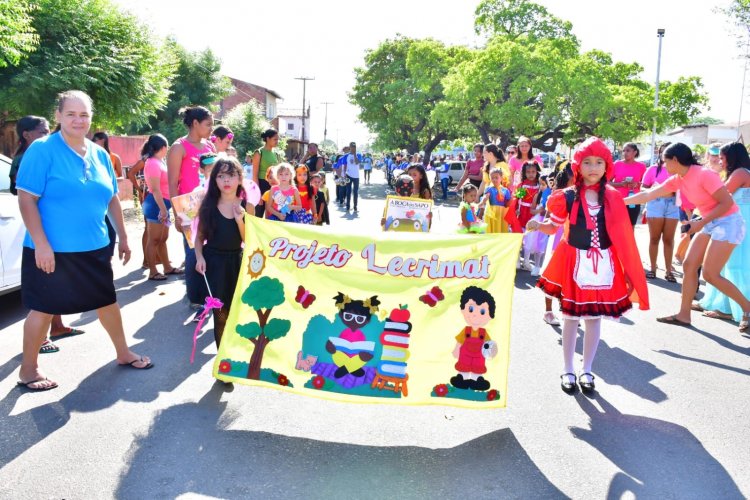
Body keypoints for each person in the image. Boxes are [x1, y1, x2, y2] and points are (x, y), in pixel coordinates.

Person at [16, 90, 152, 391]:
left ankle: (123, 353)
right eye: (71, 114)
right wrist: (41, 243)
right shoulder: (42, 150)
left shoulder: (99, 153)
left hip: (94, 246)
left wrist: (124, 237)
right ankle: (28, 370)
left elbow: (112, 198)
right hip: (52, 250)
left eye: (84, 114)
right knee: (43, 307)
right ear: (58, 116)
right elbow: (26, 200)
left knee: (107, 301)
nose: (78, 120)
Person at [528, 137, 648, 393]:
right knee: (570, 318)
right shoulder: (566, 197)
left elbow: (622, 236)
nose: (593, 167)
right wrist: (539, 225)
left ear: (607, 166)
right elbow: (554, 227)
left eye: (599, 162)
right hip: (574, 262)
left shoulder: (613, 197)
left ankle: (588, 370)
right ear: (577, 166)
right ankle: (568, 368)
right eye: (587, 162)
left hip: (603, 265)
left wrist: (627, 270)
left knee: (594, 319)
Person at [626, 142, 750, 332]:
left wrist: (700, 222)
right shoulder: (678, 178)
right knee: (689, 265)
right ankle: (684, 314)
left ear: (675, 160)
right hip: (710, 222)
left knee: (710, 274)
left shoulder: (704, 174)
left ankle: (747, 309)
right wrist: (619, 201)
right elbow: (649, 194)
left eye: (665, 162)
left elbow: (726, 203)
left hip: (729, 222)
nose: (664, 166)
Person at [10, 115, 85, 354]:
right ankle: (38, 343)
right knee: (45, 291)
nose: (47, 135)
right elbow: (24, 193)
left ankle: (58, 326)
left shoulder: (48, 153)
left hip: (55, 230)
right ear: (26, 135)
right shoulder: (27, 157)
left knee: (57, 285)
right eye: (42, 131)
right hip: (38, 229)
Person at [195, 157, 248, 350]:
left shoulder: (245, 204)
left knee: (237, 313)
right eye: (221, 176)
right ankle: (222, 362)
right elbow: (199, 236)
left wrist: (239, 220)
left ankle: (234, 359)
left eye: (231, 175)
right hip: (214, 264)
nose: (226, 181)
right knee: (220, 314)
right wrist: (199, 257)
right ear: (215, 180)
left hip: (237, 263)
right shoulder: (208, 204)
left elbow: (248, 240)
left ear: (240, 179)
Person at [167, 105, 215, 314]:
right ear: (195, 124)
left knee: (210, 251)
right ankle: (196, 299)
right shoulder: (179, 147)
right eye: (208, 124)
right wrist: (176, 213)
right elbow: (171, 183)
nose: (211, 129)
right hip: (187, 208)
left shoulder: (209, 147)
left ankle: (210, 294)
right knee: (192, 253)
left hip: (210, 204)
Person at [698, 142, 750, 323]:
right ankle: (726, 306)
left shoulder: (740, 173)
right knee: (728, 265)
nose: (720, 161)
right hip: (740, 220)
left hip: (738, 221)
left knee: (733, 265)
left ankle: (736, 308)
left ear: (731, 156)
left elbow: (721, 194)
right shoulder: (741, 172)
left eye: (722, 157)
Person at [141, 134, 181, 281]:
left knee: (163, 238)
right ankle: (152, 271)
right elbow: (155, 189)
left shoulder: (160, 161)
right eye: (167, 146)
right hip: (156, 205)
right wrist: (163, 209)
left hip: (163, 205)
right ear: (163, 147)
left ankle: (167, 267)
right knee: (154, 239)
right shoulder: (152, 163)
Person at [642, 147, 679, 282]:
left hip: (673, 203)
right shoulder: (652, 169)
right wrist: (653, 189)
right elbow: (644, 187)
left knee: (669, 239)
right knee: (654, 238)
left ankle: (669, 271)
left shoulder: (679, 169)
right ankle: (653, 268)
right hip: (655, 203)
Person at [610, 142, 647, 227]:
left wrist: (636, 184)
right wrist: (621, 184)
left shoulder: (641, 166)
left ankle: (630, 240)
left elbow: (644, 184)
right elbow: (607, 182)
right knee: (617, 226)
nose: (625, 153)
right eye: (624, 151)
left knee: (631, 226)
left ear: (635, 152)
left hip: (634, 201)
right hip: (618, 200)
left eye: (628, 150)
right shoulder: (617, 164)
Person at [523, 175, 552, 276]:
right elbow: (532, 210)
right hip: (537, 221)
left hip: (546, 222)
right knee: (537, 244)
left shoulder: (551, 195)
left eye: (543, 184)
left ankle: (543, 267)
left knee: (544, 245)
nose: (541, 186)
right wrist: (538, 211)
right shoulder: (537, 195)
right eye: (540, 184)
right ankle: (536, 266)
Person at [251, 128, 282, 217]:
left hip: (275, 186)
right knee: (259, 214)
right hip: (261, 184)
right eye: (275, 139)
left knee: (276, 214)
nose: (277, 141)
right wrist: (258, 193)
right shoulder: (259, 152)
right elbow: (255, 175)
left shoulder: (277, 154)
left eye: (278, 139)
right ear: (268, 139)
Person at [479, 168, 511, 234]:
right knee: (492, 229)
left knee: (501, 229)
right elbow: (486, 196)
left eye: (496, 177)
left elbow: (508, 202)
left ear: (501, 178)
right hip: (492, 213)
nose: (494, 179)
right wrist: (482, 202)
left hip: (502, 213)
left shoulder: (505, 190)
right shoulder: (489, 188)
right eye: (492, 178)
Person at [344, 141, 362, 212]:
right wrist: (344, 174)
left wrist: (354, 155)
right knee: (348, 191)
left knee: (355, 192)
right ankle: (348, 207)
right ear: (350, 147)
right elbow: (345, 165)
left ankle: (355, 207)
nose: (353, 148)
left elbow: (357, 162)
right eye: (352, 147)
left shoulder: (359, 154)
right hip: (348, 175)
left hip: (356, 176)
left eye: (354, 147)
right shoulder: (346, 155)